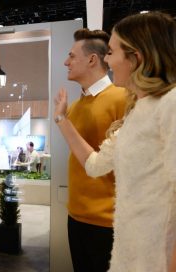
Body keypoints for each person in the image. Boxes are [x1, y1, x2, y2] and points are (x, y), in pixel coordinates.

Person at [54, 11, 176, 272]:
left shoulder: (167, 105)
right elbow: (95, 163)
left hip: (137, 241)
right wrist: (62, 119)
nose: (108, 61)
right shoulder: (139, 108)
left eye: (112, 52)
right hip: (122, 239)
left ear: (136, 57)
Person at [60, 28, 128, 272]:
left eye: (71, 56)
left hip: (109, 222)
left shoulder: (124, 97)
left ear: (92, 59)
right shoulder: (75, 106)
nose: (66, 62)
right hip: (76, 216)